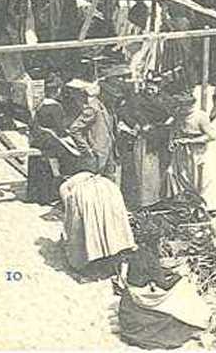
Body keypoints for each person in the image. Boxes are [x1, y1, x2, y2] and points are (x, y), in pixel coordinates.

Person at [118, 244, 216, 350]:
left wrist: (170, 272)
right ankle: (202, 319)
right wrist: (179, 276)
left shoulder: (135, 255)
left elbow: (149, 273)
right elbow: (163, 284)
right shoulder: (149, 257)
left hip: (131, 298)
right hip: (143, 298)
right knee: (183, 287)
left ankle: (201, 318)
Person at [59, 166, 136, 273]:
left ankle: (91, 256)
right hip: (108, 188)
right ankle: (115, 249)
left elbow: (70, 218)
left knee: (87, 225)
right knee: (111, 220)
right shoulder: (86, 175)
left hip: (86, 194)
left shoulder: (64, 187)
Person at [26, 73, 71, 204]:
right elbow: (60, 128)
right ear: (57, 90)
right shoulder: (55, 106)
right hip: (49, 140)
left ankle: (36, 195)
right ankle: (52, 193)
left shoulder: (40, 104)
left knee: (40, 165)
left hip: (38, 139)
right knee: (66, 156)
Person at [163, 93, 215, 198]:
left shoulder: (201, 116)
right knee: (177, 174)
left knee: (195, 177)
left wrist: (190, 141)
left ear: (190, 106)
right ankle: (183, 200)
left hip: (196, 151)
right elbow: (173, 129)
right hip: (181, 150)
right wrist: (171, 141)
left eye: (183, 107)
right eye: (179, 107)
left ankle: (198, 200)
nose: (180, 110)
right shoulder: (178, 114)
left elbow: (211, 136)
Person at [66, 80, 118, 180]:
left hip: (107, 153)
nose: (113, 98)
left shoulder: (103, 107)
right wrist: (86, 149)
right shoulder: (93, 108)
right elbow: (74, 129)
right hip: (97, 154)